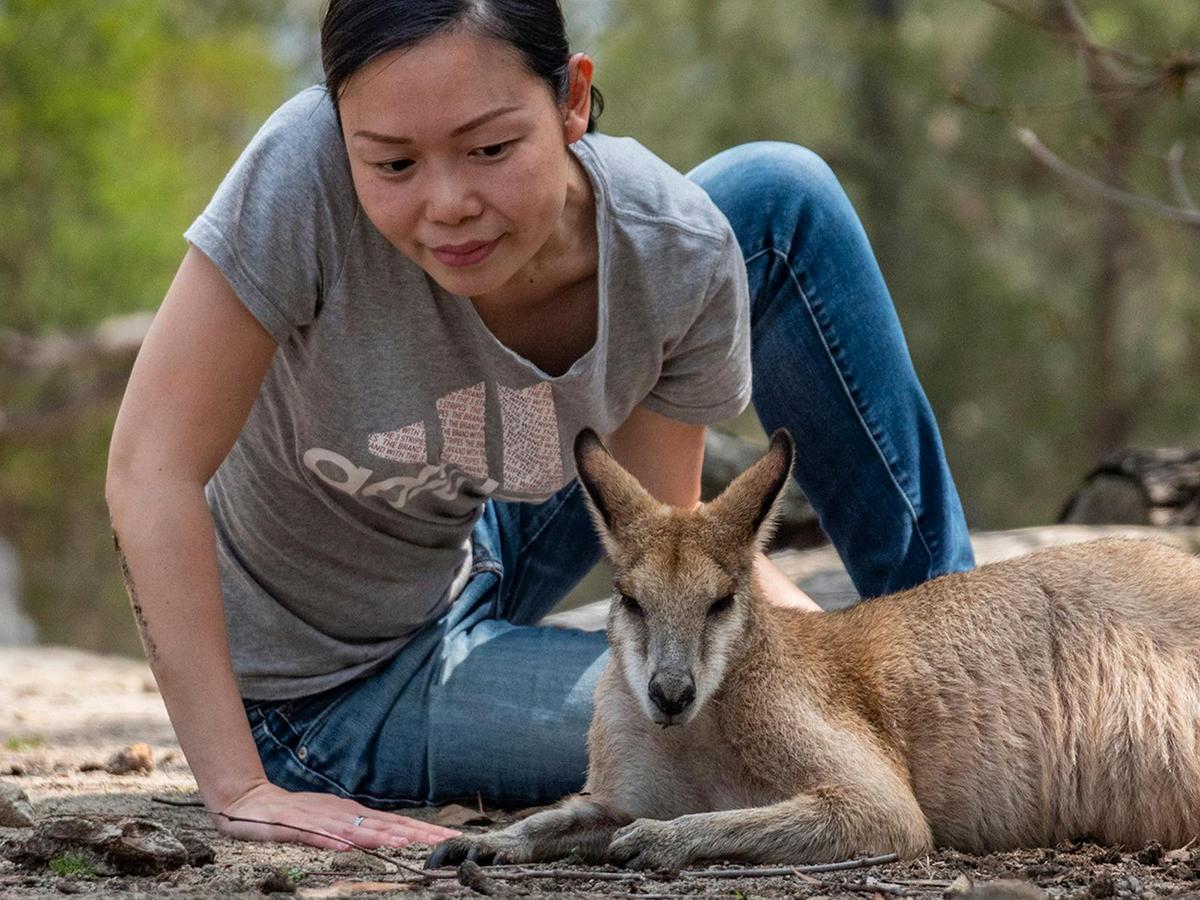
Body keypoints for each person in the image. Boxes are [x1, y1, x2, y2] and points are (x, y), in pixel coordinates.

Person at [105, 0, 975, 852]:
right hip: (335, 686)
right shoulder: (301, 177)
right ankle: (915, 735)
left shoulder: (672, 249)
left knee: (779, 198)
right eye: (395, 164)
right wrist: (239, 786)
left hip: (477, 529)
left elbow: (672, 542)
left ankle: (968, 672)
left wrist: (815, 659)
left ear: (572, 100)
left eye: (489, 149)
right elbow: (150, 469)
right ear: (343, 134)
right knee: (717, 728)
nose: (447, 202)